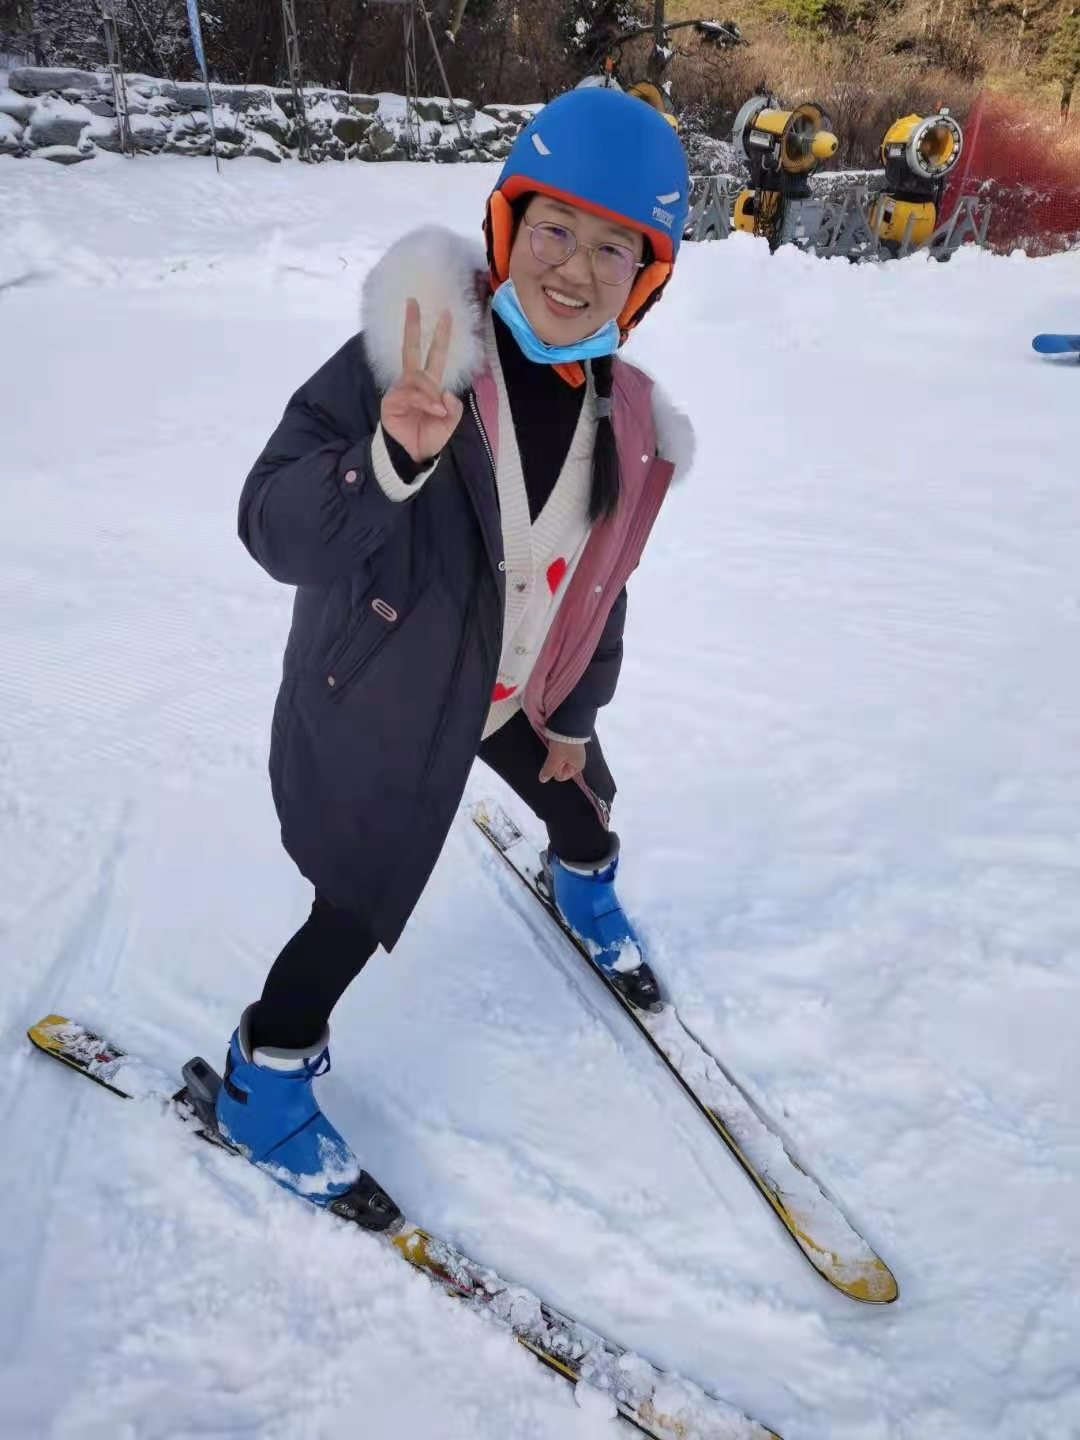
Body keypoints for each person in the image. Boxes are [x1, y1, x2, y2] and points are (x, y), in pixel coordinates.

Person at [217, 86, 694, 1223]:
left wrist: (573, 714)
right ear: (507, 225)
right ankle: (262, 1077)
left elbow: (603, 581)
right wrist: (384, 461)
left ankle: (582, 881)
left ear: (646, 278)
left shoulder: (627, 418)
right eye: (554, 229)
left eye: (614, 248)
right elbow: (270, 523)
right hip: (391, 700)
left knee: (586, 803)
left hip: (517, 692)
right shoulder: (409, 356)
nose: (574, 269)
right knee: (354, 904)